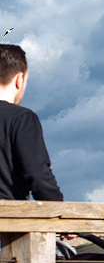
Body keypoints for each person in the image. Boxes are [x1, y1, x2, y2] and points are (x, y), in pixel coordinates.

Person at [0, 44, 63, 202]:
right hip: (8, 221)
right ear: (19, 79)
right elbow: (39, 177)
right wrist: (62, 216)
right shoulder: (22, 119)